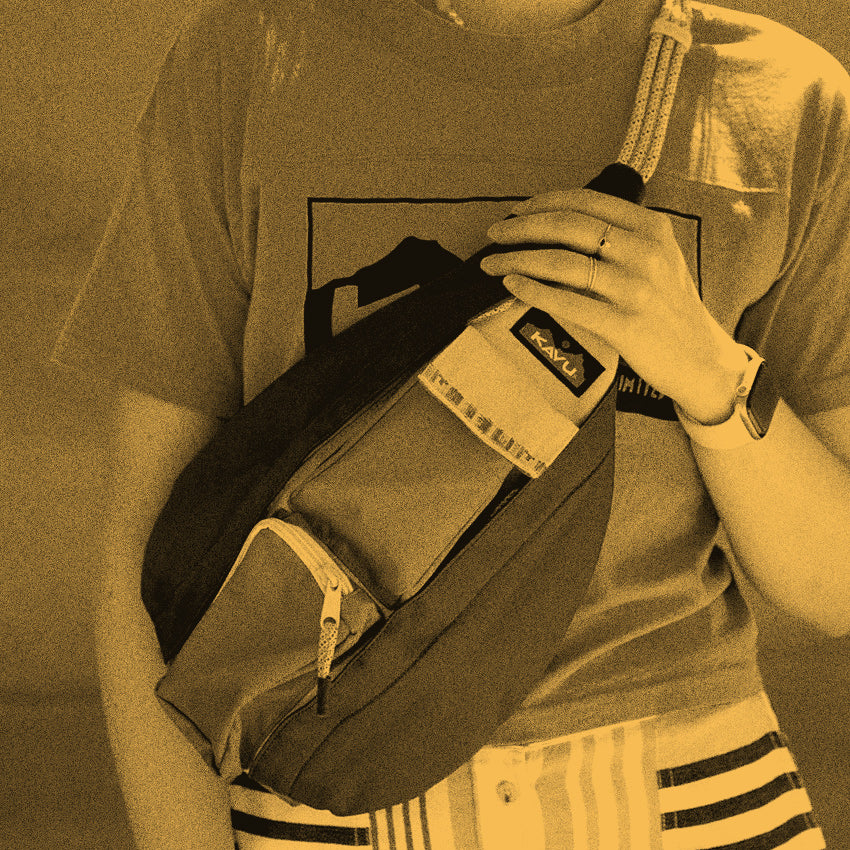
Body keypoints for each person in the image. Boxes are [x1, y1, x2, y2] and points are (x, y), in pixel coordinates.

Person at [52, 0, 850, 846]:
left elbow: (834, 585)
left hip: (693, 801)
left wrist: (712, 373)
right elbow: (144, 558)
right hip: (323, 787)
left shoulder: (784, 100)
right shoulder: (243, 64)